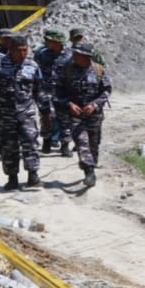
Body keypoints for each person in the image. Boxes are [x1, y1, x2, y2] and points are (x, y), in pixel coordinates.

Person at [0, 34, 44, 191]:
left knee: (30, 142)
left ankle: (33, 175)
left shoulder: (33, 66)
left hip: (26, 112)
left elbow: (39, 90)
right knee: (9, 146)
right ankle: (12, 178)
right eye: (18, 50)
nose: (22, 54)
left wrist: (45, 111)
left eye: (25, 50)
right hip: (5, 113)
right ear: (10, 50)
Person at [59, 40, 111, 188]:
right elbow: (58, 91)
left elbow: (106, 91)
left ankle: (91, 168)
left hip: (94, 115)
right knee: (82, 142)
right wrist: (69, 104)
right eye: (74, 53)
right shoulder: (67, 70)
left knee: (93, 144)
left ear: (87, 56)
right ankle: (89, 172)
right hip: (76, 115)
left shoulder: (99, 70)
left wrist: (95, 105)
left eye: (78, 54)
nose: (74, 56)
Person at [34, 29, 72, 155]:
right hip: (46, 90)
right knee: (46, 116)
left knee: (65, 118)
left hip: (64, 91)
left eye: (50, 40)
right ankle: (46, 141)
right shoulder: (42, 54)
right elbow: (35, 71)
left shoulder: (70, 55)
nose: (47, 42)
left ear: (58, 41)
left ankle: (65, 145)